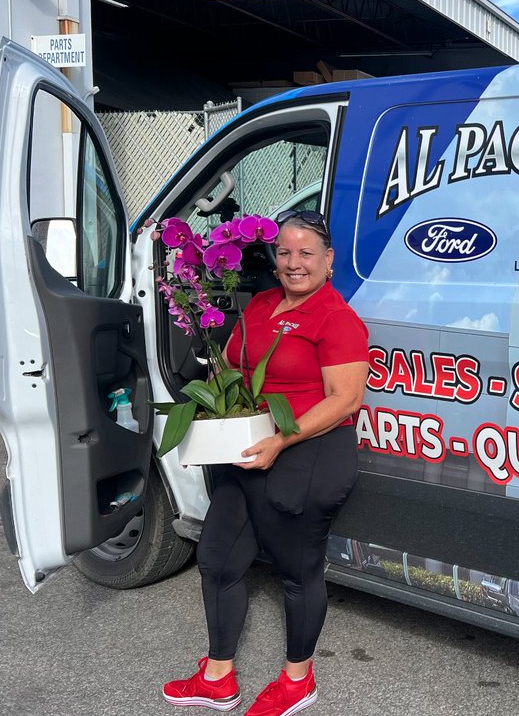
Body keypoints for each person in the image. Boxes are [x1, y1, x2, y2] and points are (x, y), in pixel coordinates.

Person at [162, 210, 368, 715]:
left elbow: (345, 400)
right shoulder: (261, 304)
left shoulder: (337, 319)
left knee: (297, 572)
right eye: (284, 252)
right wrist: (207, 426)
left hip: (308, 454)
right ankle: (218, 678)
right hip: (250, 449)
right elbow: (230, 368)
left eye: (306, 253)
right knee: (218, 558)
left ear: (329, 260)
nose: (294, 263)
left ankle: (298, 680)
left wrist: (280, 440)